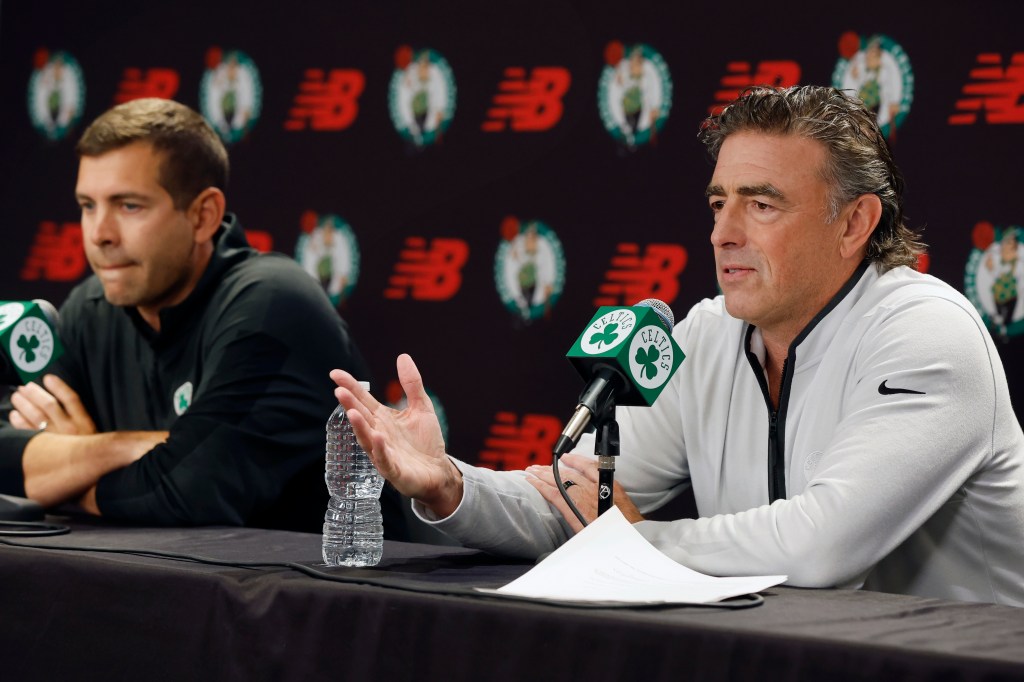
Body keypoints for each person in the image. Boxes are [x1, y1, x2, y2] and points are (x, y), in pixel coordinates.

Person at [331, 85, 1024, 605]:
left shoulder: (926, 333)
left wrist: (631, 543)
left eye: (762, 204)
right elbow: (574, 500)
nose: (724, 233)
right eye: (719, 203)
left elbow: (822, 549)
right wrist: (450, 483)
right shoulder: (707, 334)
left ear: (854, 224)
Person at [0, 98, 406, 535]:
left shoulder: (273, 303)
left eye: (129, 206)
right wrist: (117, 448)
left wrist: (65, 469)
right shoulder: (91, 308)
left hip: (329, 576)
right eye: (87, 206)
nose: (100, 234)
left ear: (203, 216)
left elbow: (187, 490)